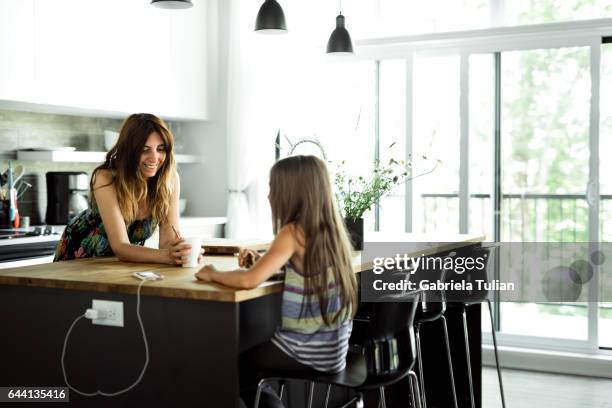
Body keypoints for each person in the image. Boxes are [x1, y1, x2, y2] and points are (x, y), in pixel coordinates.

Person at [195, 155, 358, 407]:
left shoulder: (292, 231)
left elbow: (249, 281)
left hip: (306, 351)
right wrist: (262, 261)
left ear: (292, 192)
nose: (269, 195)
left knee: (228, 367)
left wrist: (212, 273)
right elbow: (302, 272)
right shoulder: (331, 231)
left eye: (273, 188)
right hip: (333, 351)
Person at [54, 113, 202, 264]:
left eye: (161, 149)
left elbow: (167, 242)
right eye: (145, 149)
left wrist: (181, 252)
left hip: (123, 264)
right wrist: (167, 256)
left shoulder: (170, 179)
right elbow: (121, 247)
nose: (154, 157)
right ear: (129, 150)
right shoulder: (105, 177)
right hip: (79, 260)